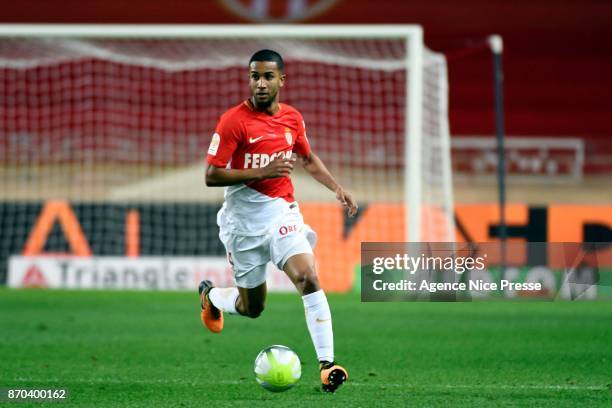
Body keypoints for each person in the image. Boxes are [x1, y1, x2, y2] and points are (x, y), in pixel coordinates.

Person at [201, 49, 358, 393]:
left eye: (268, 76)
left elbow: (308, 158)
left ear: (281, 80)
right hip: (242, 225)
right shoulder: (233, 121)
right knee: (252, 307)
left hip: (282, 214)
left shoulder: (292, 119)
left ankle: (327, 366)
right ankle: (212, 298)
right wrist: (263, 170)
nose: (260, 83)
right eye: (254, 76)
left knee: (309, 277)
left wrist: (337, 188)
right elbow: (211, 175)